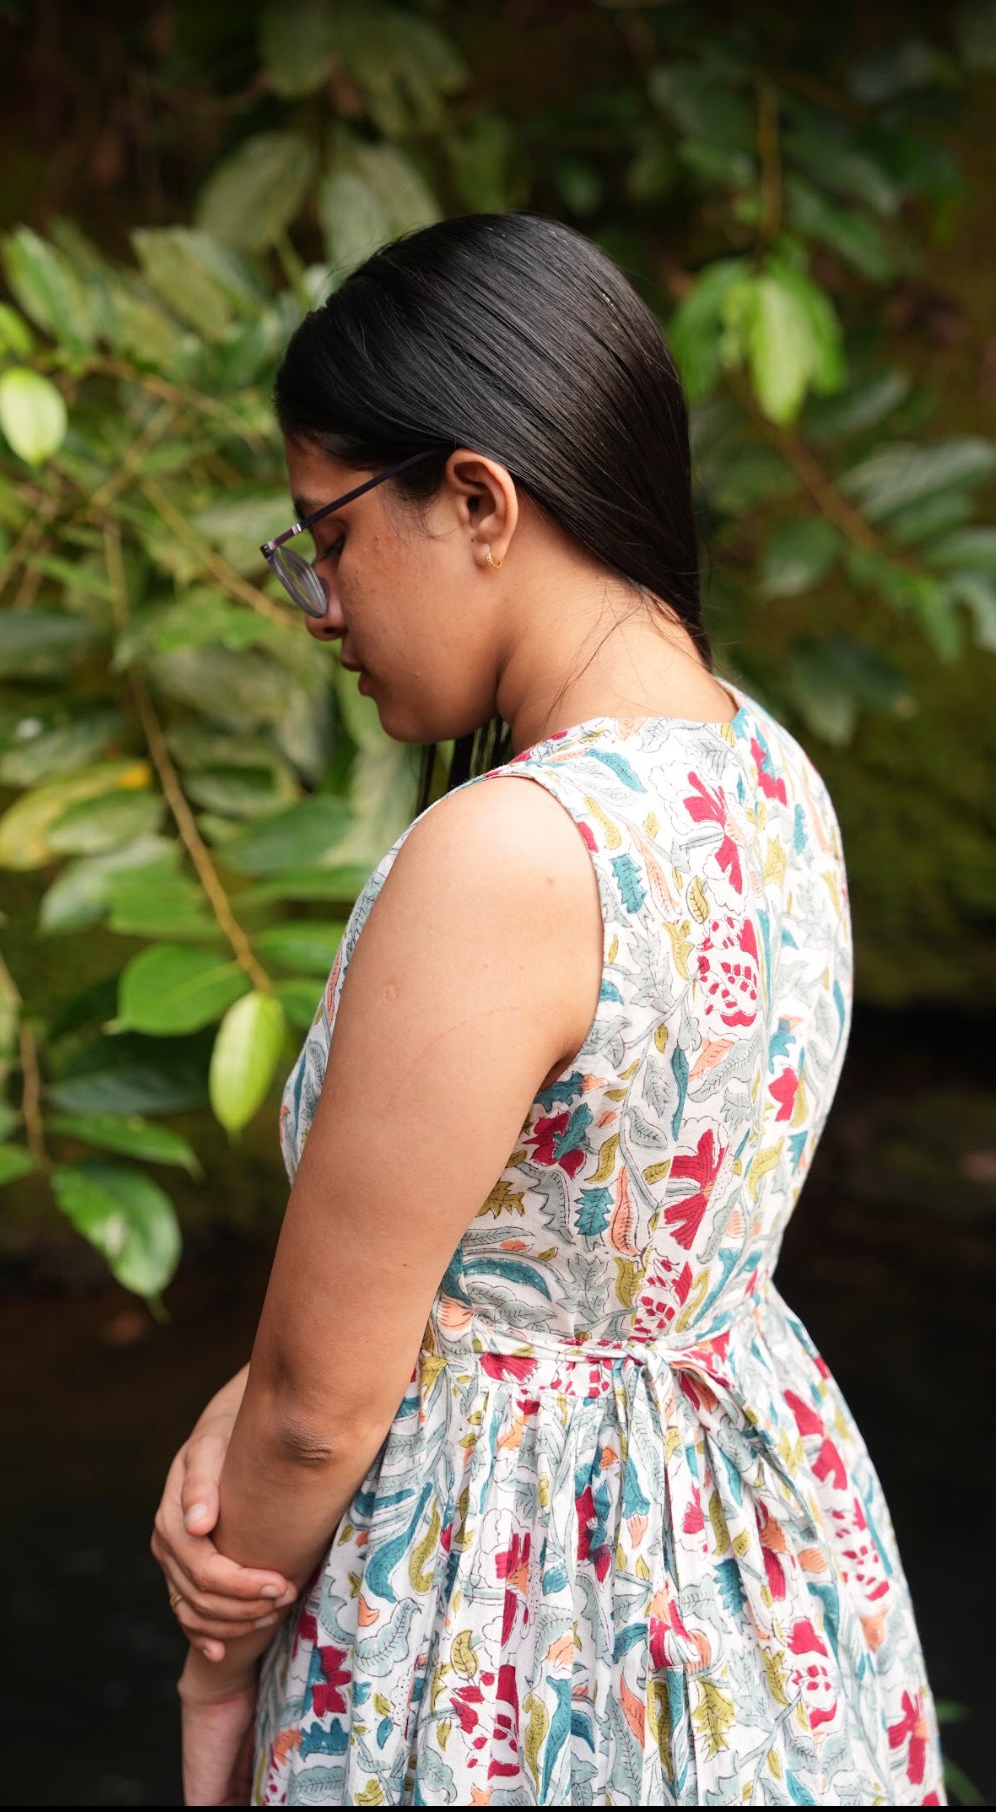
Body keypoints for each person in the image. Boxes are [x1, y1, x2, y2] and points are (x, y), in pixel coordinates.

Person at [151, 213, 944, 1807]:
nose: (316, 602)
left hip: (505, 1623)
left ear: (476, 499)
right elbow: (546, 1242)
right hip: (753, 1577)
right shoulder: (768, 773)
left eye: (330, 536)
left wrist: (217, 1661)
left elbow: (321, 1415)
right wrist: (267, 1388)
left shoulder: (509, 852)